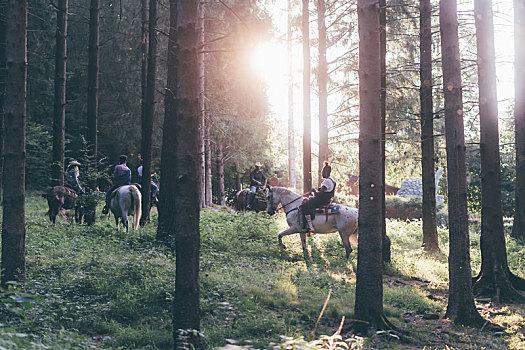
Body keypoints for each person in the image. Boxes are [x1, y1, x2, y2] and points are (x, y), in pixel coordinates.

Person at [300, 161, 336, 232]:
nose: (322, 173)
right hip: (326, 199)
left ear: (327, 172)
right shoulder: (332, 180)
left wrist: (314, 190)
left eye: (323, 171)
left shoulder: (327, 181)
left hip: (322, 200)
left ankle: (309, 226)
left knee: (304, 206)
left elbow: (319, 194)